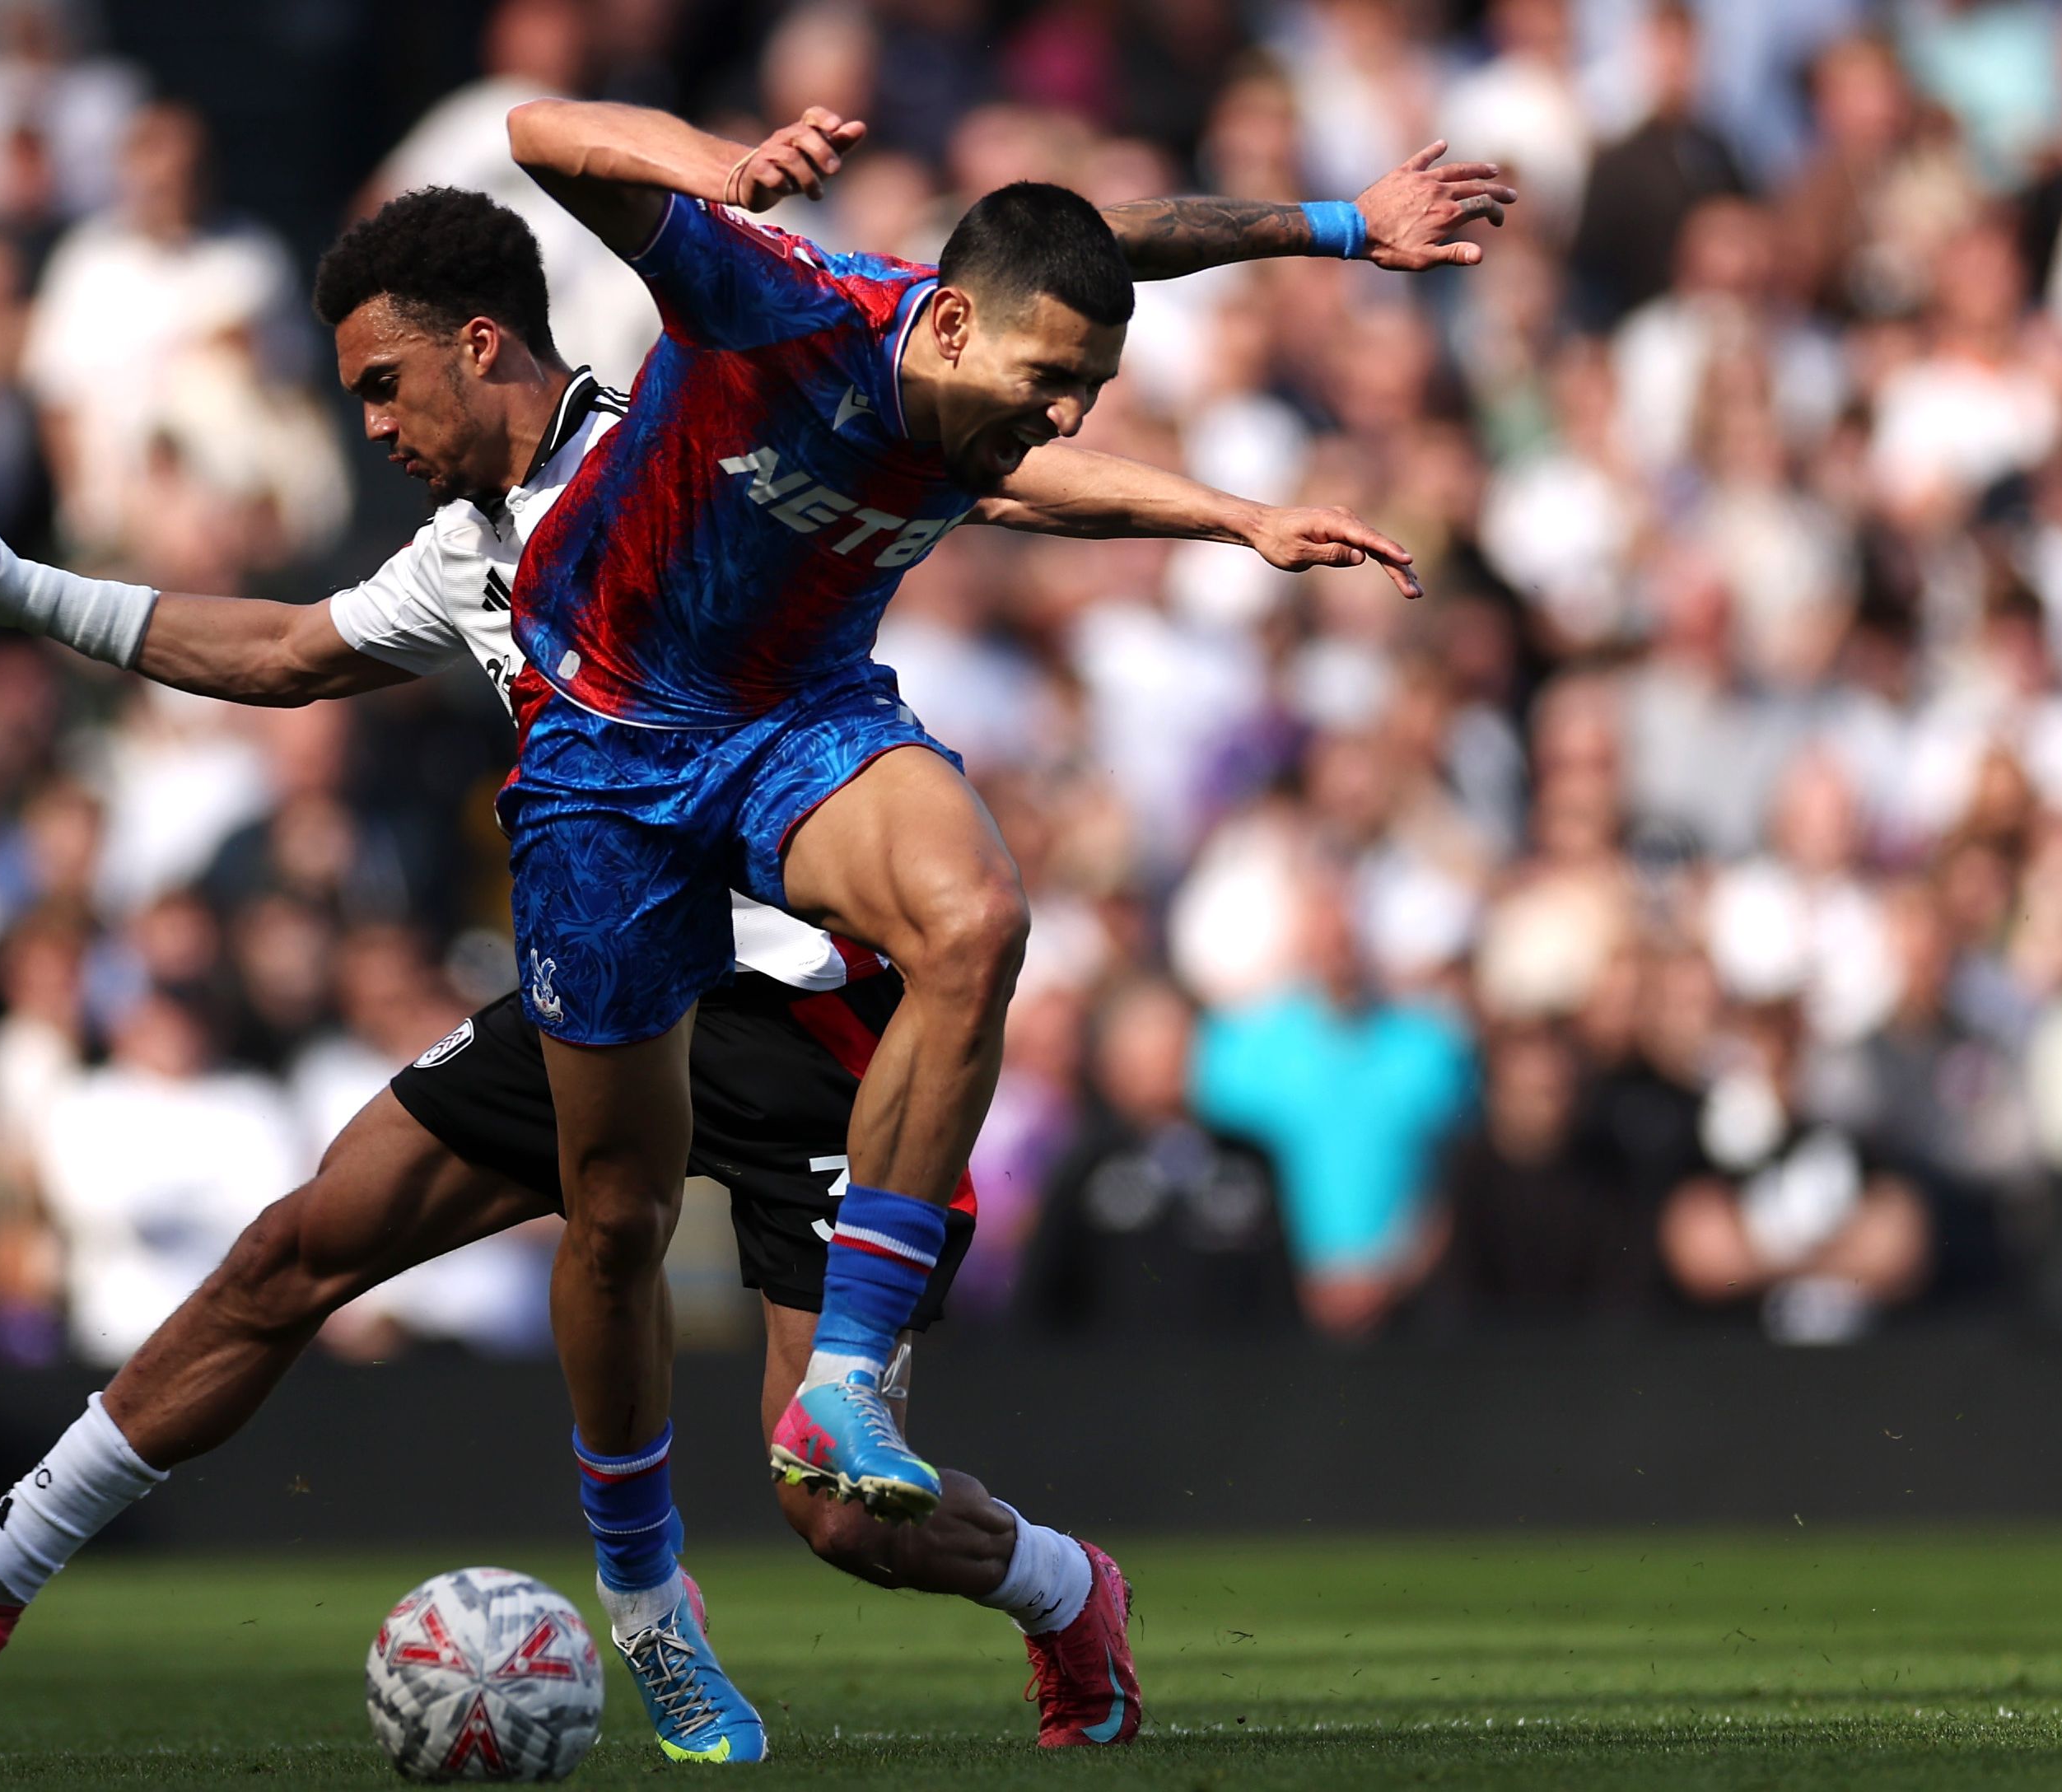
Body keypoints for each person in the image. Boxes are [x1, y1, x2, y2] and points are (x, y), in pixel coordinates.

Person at [0, 183, 1447, 1755]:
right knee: (310, 1244)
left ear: (480, 342)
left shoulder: (693, 418)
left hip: (804, 1012)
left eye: (384, 387)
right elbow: (276, 648)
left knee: (842, 1509)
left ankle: (1070, 1588)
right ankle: (0, 1566)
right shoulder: (466, 549)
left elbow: (1004, 406)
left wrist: (1231, 502)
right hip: (623, 952)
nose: (375, 429)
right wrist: (18, 584)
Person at [488, 96, 1496, 1762]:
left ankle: (855, 1380)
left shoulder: (982, 362)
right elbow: (542, 132)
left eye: (1085, 389)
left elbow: (1113, 243)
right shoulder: (778, 297)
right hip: (604, 749)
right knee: (607, 1220)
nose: (1063, 412)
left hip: (797, 718)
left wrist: (1321, 260)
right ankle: (653, 1606)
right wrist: (714, 172)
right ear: (950, 325)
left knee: (978, 915)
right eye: (1046, 383)